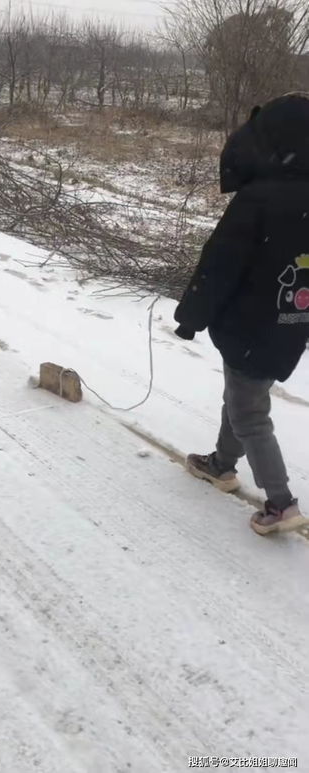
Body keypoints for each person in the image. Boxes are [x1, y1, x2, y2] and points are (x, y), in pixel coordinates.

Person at [174, 93, 309, 536]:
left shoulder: (259, 199)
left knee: (249, 411)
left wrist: (191, 315)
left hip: (250, 323)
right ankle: (221, 464)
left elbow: (220, 265)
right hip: (291, 324)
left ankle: (281, 504)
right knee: (242, 394)